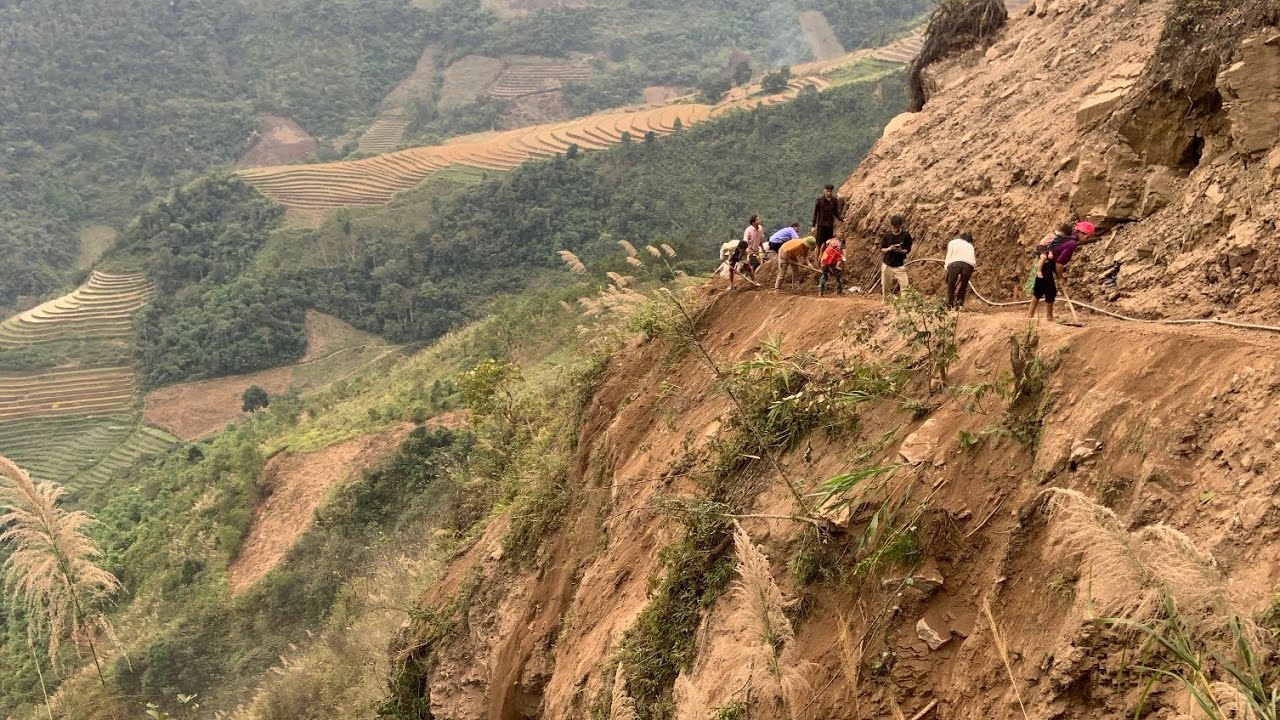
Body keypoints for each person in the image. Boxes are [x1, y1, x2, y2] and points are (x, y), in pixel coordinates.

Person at [1028, 232, 1061, 322]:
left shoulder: (1051, 241)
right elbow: (1050, 258)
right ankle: (1049, 316)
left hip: (1042, 273)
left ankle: (1030, 315)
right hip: (1045, 272)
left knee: (1037, 292)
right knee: (1051, 292)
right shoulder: (1048, 247)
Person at [879, 215, 912, 302]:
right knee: (885, 286)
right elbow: (882, 249)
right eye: (894, 227)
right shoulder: (887, 235)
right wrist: (889, 249)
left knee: (905, 286)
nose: (895, 229)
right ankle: (886, 303)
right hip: (887, 264)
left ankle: (905, 304)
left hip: (899, 265)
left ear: (901, 225)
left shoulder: (906, 236)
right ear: (891, 226)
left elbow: (907, 250)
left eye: (897, 227)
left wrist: (900, 250)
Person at [944, 232, 976, 309]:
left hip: (955, 263)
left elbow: (949, 254)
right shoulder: (970, 246)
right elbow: (972, 258)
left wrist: (946, 266)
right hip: (969, 265)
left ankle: (949, 305)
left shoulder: (953, 242)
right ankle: (959, 304)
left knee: (951, 284)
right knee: (963, 285)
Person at [812, 184, 843, 264]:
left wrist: (841, 219)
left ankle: (824, 260)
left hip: (829, 226)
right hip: (821, 226)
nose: (829, 193)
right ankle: (816, 262)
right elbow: (815, 214)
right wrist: (813, 225)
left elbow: (835, 213)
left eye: (830, 191)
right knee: (818, 245)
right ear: (824, 191)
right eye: (827, 191)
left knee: (827, 244)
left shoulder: (834, 200)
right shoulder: (819, 200)